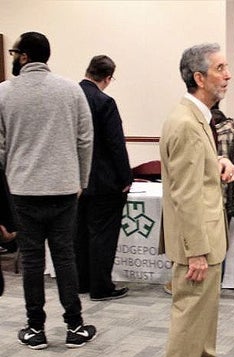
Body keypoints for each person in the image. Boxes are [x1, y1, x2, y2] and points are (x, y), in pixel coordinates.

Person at [151, 43, 234, 357]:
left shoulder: (197, 117)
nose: (228, 75)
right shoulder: (187, 123)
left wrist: (218, 162)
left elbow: (193, 173)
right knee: (189, 311)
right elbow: (185, 195)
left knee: (205, 308)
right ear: (199, 77)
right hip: (197, 241)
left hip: (208, 233)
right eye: (220, 68)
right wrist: (195, 250)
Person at [0, 31, 97, 350]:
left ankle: (35, 328)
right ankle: (75, 326)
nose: (13, 58)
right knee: (64, 256)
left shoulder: (3, 93)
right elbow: (85, 139)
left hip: (22, 190)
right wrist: (81, 179)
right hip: (65, 188)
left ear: (24, 56)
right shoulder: (71, 90)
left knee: (31, 260)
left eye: (15, 53)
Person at [76, 55, 133, 302]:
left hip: (76, 180)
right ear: (108, 78)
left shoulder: (71, 98)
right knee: (103, 235)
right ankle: (101, 286)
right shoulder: (104, 102)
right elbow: (115, 144)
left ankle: (81, 282)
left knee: (79, 233)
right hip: (104, 181)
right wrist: (126, 178)